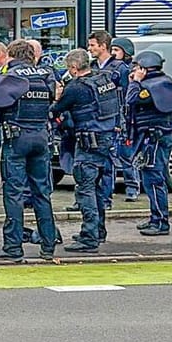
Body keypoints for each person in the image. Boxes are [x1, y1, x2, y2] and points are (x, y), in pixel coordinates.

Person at [0, 40, 59, 260]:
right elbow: (56, 97)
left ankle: (13, 246)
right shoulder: (46, 75)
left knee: (13, 193)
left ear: (11, 56)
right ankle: (48, 245)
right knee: (42, 192)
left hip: (16, 138)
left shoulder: (8, 77)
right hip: (42, 138)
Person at [53, 48, 118, 252]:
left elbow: (56, 110)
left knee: (85, 189)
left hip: (88, 141)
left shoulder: (75, 87)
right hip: (107, 139)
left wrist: (56, 96)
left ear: (73, 68)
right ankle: (98, 230)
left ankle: (89, 236)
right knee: (97, 187)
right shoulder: (103, 80)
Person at [128, 50, 172, 236]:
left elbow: (131, 99)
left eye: (136, 67)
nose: (133, 69)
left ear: (144, 67)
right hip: (155, 137)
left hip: (154, 138)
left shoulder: (152, 86)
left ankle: (160, 221)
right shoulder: (166, 83)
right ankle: (155, 218)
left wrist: (135, 82)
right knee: (150, 178)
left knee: (154, 179)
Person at [105, 36, 139, 202]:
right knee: (110, 157)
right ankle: (109, 189)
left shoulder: (126, 70)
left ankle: (132, 187)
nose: (113, 53)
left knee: (126, 156)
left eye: (117, 50)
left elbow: (129, 96)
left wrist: (125, 120)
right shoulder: (110, 68)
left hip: (125, 119)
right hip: (113, 117)